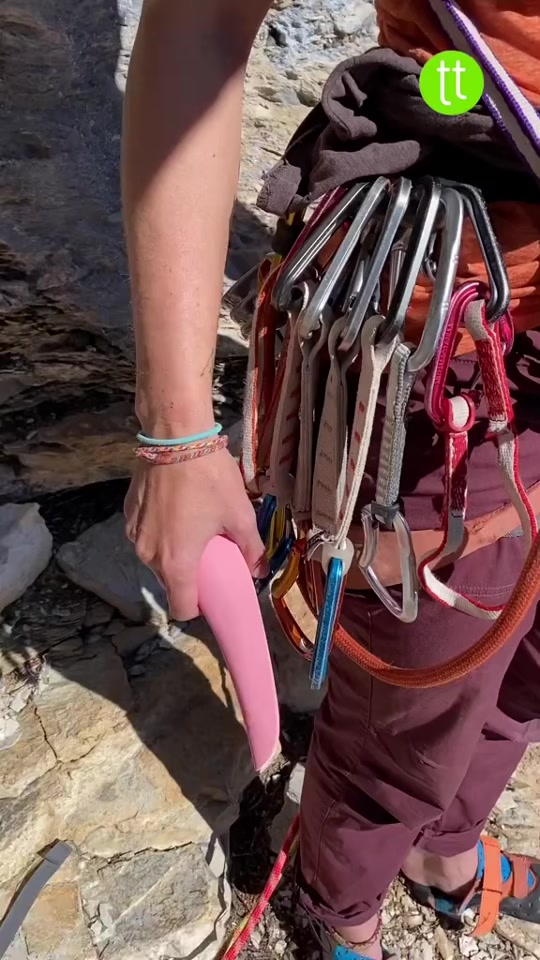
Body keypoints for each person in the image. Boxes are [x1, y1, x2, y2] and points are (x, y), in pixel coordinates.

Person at [121, 3, 540, 959]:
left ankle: (441, 848)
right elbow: (201, 22)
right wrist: (178, 435)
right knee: (416, 693)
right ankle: (337, 903)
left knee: (525, 669)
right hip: (448, 341)